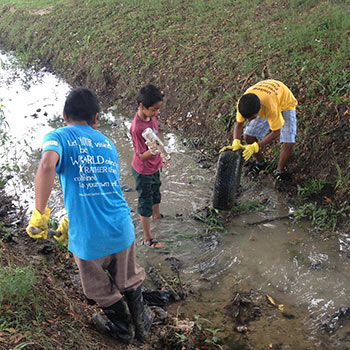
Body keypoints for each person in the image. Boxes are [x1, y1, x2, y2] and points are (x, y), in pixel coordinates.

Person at [26, 87, 153, 344]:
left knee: (98, 288)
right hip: (121, 227)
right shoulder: (107, 143)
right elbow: (101, 187)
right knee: (128, 278)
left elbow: (48, 164)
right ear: (96, 118)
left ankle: (121, 329)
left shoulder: (57, 136)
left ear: (64, 115)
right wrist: (69, 219)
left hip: (89, 237)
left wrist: (40, 212)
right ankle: (142, 325)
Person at [220, 79, 297, 181]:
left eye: (251, 118)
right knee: (248, 135)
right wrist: (236, 142)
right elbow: (238, 124)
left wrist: (256, 146)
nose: (248, 120)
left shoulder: (270, 108)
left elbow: (277, 131)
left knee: (288, 141)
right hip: (264, 97)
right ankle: (260, 163)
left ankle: (280, 172)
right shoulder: (243, 104)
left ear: (258, 112)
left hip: (285, 101)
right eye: (246, 118)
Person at [129, 84, 169, 249]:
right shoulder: (136, 128)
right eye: (154, 110)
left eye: (158, 109)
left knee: (155, 192)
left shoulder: (150, 117)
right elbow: (141, 156)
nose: (156, 113)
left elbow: (157, 139)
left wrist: (163, 156)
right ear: (141, 106)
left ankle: (157, 215)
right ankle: (147, 239)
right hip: (143, 170)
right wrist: (152, 152)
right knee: (145, 201)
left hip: (155, 166)